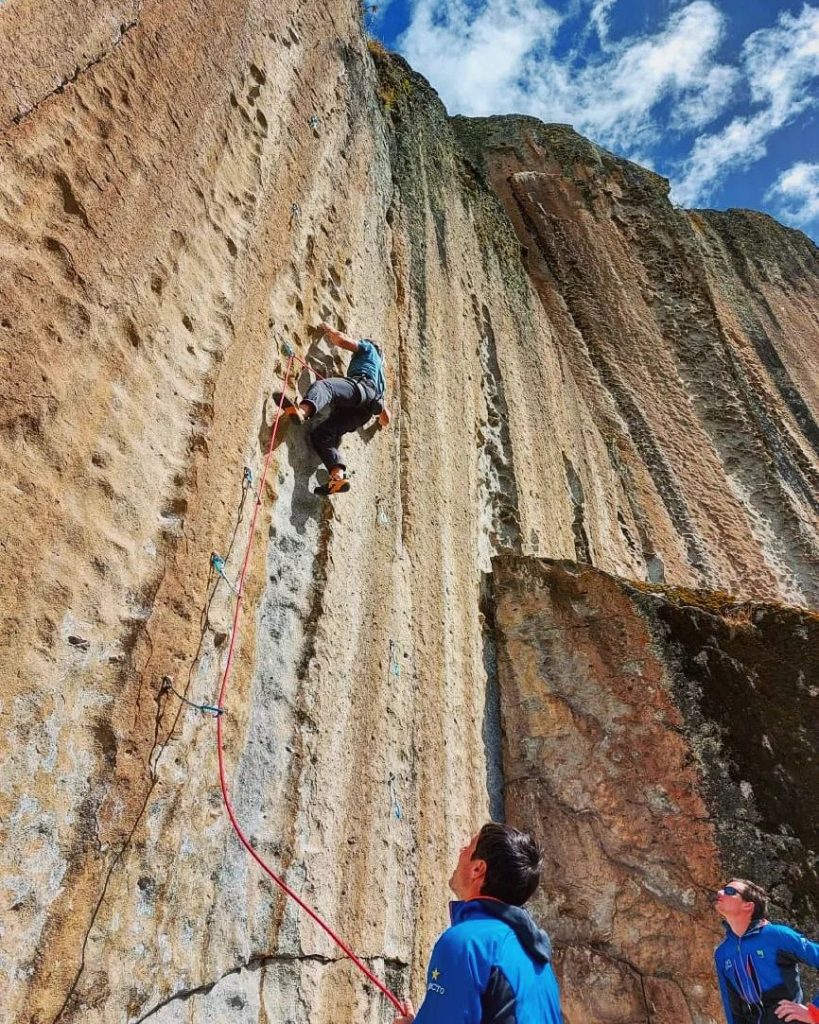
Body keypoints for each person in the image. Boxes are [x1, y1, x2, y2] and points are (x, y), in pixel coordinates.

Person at [394, 822, 563, 1024]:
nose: (461, 850)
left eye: (468, 847)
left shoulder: (467, 943)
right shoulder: (538, 963)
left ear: (477, 868)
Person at [278, 322, 391, 495]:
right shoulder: (381, 382)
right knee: (322, 435)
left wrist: (330, 330)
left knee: (325, 388)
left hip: (361, 387)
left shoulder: (369, 349)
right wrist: (378, 418)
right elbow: (385, 419)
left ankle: (302, 412)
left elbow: (342, 341)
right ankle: (337, 477)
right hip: (365, 412)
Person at [714, 879, 819, 1024]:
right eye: (722, 889)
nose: (720, 893)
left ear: (748, 905)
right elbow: (732, 1008)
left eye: (730, 891)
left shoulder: (777, 935)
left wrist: (814, 1013)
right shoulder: (722, 952)